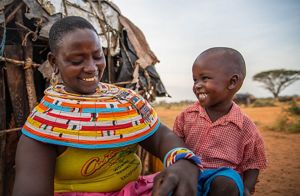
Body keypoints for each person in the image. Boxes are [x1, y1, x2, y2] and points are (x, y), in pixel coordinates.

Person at [13, 16, 201, 196]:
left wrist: (182, 162)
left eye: (97, 56)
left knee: (218, 181)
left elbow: (161, 137)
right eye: (77, 60)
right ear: (54, 62)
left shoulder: (125, 103)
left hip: (135, 190)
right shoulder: (45, 124)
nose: (91, 68)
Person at [173, 47, 267, 196]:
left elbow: (253, 163)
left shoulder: (245, 126)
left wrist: (247, 189)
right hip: (190, 172)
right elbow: (175, 146)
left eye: (205, 78)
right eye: (195, 79)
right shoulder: (186, 116)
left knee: (225, 183)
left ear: (232, 82)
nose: (197, 85)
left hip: (225, 176)